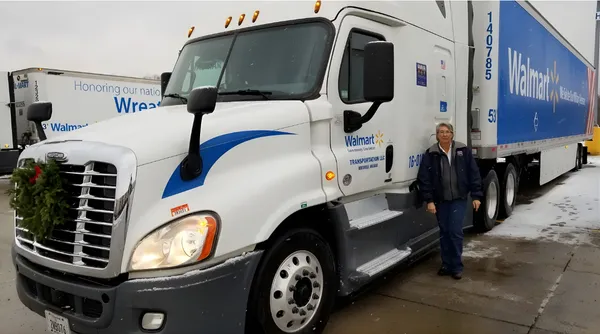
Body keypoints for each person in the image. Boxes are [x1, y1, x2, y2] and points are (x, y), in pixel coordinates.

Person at [417, 122, 483, 280]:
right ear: (437, 135)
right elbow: (424, 179)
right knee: (444, 232)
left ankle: (456, 266)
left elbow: (473, 173)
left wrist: (476, 195)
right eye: (441, 132)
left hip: (458, 199)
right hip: (441, 200)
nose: (444, 134)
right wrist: (430, 201)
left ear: (452, 134)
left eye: (447, 132)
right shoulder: (431, 153)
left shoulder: (463, 150)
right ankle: (446, 265)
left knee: (455, 231)